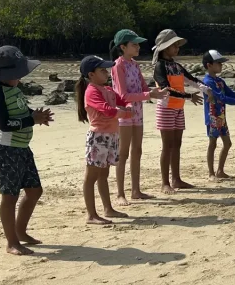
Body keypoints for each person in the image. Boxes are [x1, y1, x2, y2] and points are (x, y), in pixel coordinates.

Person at [0, 45, 54, 255]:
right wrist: (31, 119)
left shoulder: (14, 89)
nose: (20, 78)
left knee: (34, 191)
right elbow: (4, 123)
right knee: (9, 196)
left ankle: (20, 232)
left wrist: (35, 116)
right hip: (5, 150)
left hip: (22, 149)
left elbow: (22, 111)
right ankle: (11, 242)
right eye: (18, 74)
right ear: (4, 74)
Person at [77, 55, 151, 225]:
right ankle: (91, 214)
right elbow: (107, 110)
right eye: (102, 70)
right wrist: (124, 112)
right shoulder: (91, 91)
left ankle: (108, 208)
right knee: (91, 177)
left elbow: (122, 99)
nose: (106, 72)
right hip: (98, 138)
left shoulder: (108, 89)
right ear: (91, 75)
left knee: (104, 174)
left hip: (111, 136)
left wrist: (130, 106)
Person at [152, 29, 209, 193]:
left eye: (177, 45)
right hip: (166, 108)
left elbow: (192, 80)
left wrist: (207, 89)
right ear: (165, 47)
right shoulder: (160, 66)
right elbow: (165, 89)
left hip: (178, 108)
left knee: (177, 144)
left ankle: (176, 179)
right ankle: (165, 183)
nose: (177, 48)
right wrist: (188, 96)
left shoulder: (176, 66)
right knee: (167, 145)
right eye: (174, 45)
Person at [110, 29, 156, 204]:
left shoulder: (135, 64)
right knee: (123, 153)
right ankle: (120, 193)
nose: (137, 47)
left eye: (138, 44)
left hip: (137, 112)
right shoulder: (118, 65)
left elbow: (144, 88)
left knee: (137, 150)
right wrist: (149, 96)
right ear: (122, 47)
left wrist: (153, 93)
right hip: (123, 112)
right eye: (134, 44)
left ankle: (136, 190)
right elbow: (123, 95)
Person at [202, 49, 235, 179]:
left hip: (221, 117)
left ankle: (220, 171)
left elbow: (231, 93)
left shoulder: (219, 81)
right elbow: (221, 98)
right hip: (212, 117)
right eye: (218, 63)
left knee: (227, 143)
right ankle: (211, 173)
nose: (221, 65)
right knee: (212, 144)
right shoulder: (207, 82)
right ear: (209, 65)